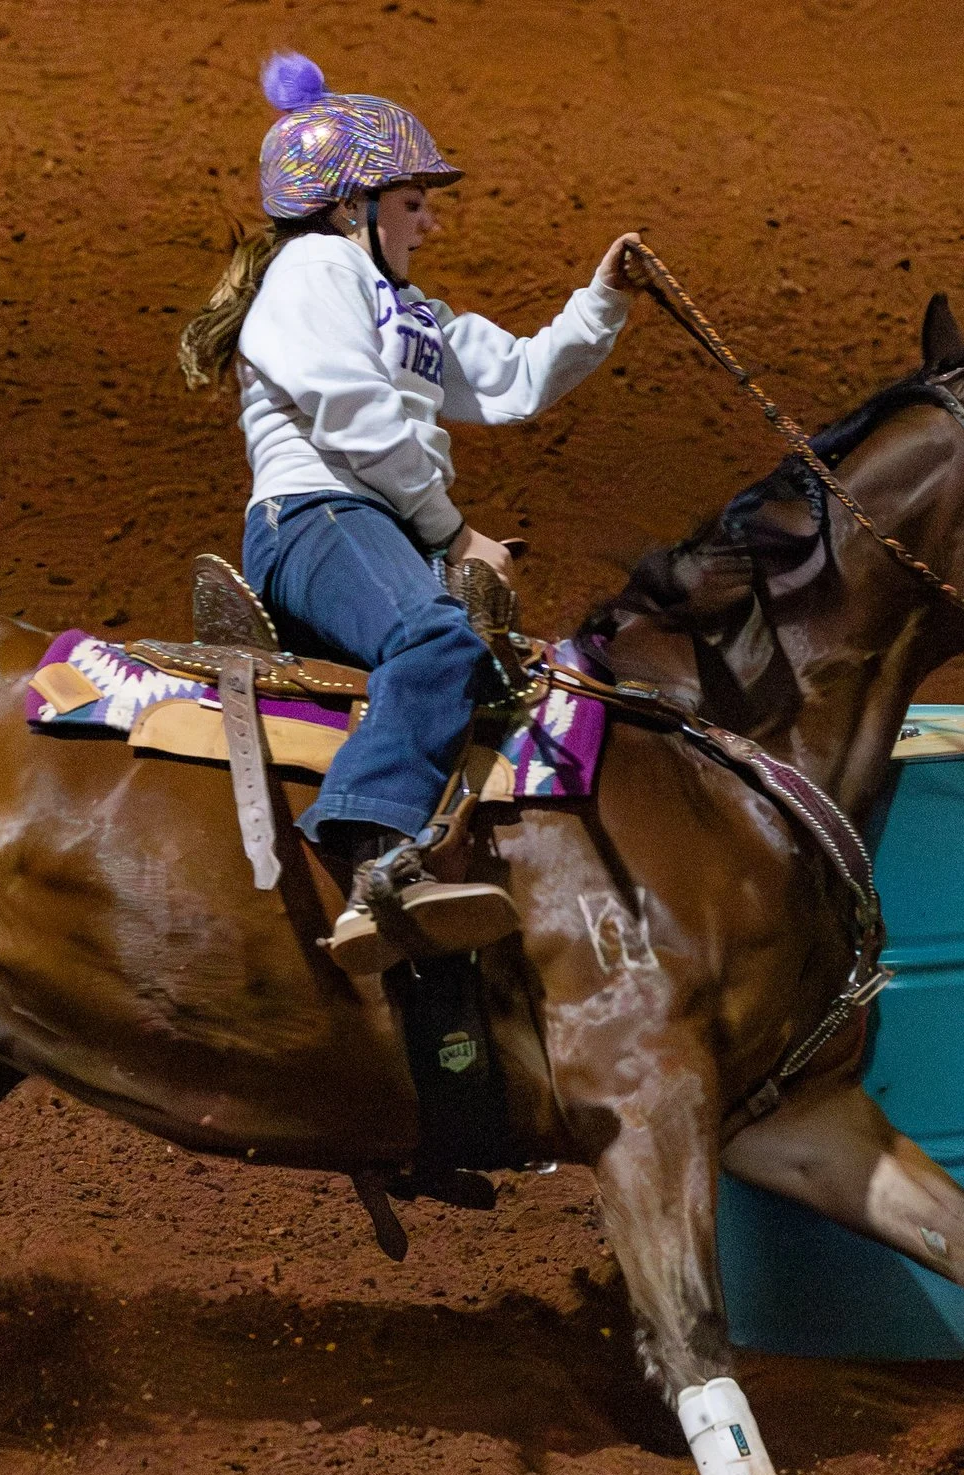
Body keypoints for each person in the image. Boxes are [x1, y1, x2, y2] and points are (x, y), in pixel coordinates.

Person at [178, 50, 642, 977]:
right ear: (352, 205)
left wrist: (604, 303)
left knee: (491, 679)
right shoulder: (316, 268)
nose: (430, 222)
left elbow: (515, 380)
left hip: (372, 523)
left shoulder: (406, 309)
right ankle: (376, 862)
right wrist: (450, 531)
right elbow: (350, 414)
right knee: (437, 639)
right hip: (318, 514)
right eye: (414, 202)